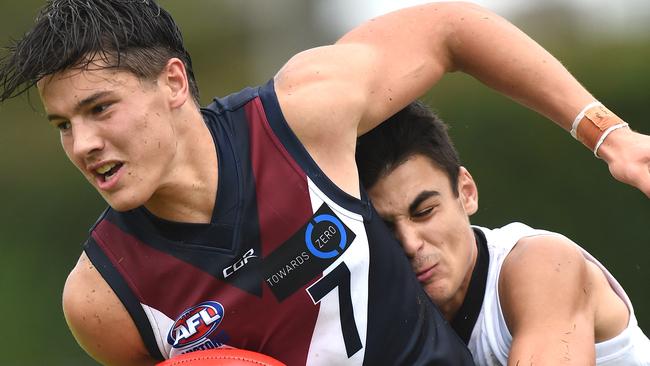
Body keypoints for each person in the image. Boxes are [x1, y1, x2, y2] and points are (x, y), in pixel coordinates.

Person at [0, 1, 649, 365]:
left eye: (100, 109)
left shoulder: (302, 116)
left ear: (173, 83)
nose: (83, 145)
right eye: (63, 124)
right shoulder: (101, 297)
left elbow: (450, 29)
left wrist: (610, 136)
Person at [355, 101, 650, 365]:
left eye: (424, 212)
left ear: (466, 192)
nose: (409, 243)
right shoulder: (374, 314)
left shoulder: (542, 264)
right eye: (385, 228)